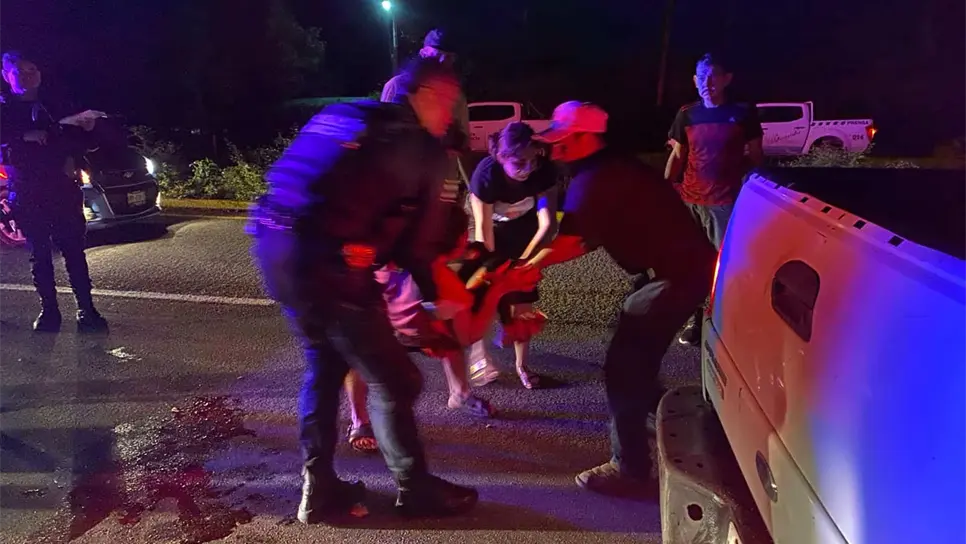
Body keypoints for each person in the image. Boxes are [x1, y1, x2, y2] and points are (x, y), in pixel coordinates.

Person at [249, 57, 478, 523]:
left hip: (277, 255)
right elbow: (418, 247)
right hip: (334, 271)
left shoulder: (342, 114)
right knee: (398, 379)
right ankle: (416, 490)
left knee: (325, 368)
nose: (450, 115)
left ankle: (318, 489)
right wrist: (443, 302)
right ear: (428, 95)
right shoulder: (422, 147)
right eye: (449, 102)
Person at [522, 101, 716, 496]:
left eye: (561, 138)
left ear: (586, 137)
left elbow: (574, 243)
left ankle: (631, 468)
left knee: (624, 368)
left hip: (677, 276)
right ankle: (679, 426)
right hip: (672, 272)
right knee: (634, 360)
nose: (553, 146)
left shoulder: (601, 176)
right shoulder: (603, 168)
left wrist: (521, 270)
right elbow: (575, 232)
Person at [343, 207, 495, 455]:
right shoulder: (428, 275)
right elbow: (469, 335)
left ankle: (459, 392)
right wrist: (496, 289)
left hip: (406, 311)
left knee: (446, 335)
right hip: (378, 314)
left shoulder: (426, 263)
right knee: (359, 354)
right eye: (464, 235)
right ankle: (359, 420)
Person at [0, 51, 108, 333]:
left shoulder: (54, 104)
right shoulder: (5, 109)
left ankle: (86, 309)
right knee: (40, 253)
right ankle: (49, 311)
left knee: (74, 250)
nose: (28, 76)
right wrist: (23, 137)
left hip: (62, 187)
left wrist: (88, 128)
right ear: (6, 76)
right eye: (20, 71)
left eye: (33, 69)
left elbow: (80, 143)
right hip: (28, 190)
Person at [665, 53, 763, 346]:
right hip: (690, 202)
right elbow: (678, 155)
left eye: (713, 76)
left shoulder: (743, 113)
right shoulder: (687, 114)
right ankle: (695, 320)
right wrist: (665, 189)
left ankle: (724, 319)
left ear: (726, 79)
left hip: (725, 203)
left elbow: (756, 155)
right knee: (691, 263)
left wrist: (756, 191)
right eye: (701, 77)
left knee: (726, 265)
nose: (707, 83)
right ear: (695, 81)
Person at [467, 122, 558, 389]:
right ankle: (478, 357)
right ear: (501, 157)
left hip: (524, 232)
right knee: (482, 296)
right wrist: (494, 271)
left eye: (532, 161)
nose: (527, 169)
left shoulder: (544, 171)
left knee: (522, 302)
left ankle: (522, 365)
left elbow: (547, 224)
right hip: (488, 231)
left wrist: (524, 264)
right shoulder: (486, 175)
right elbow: (484, 232)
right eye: (519, 163)